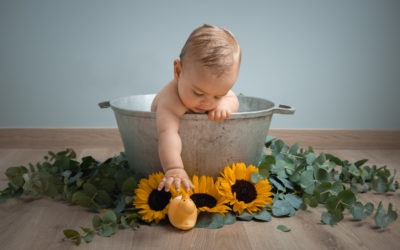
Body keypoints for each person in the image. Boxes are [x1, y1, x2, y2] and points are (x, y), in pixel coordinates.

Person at [151, 24, 241, 192]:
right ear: (178, 71)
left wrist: (225, 104)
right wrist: (174, 168)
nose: (207, 102)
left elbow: (233, 98)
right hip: (163, 155)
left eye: (217, 96)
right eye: (198, 93)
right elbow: (167, 134)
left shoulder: (214, 90)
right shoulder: (171, 100)